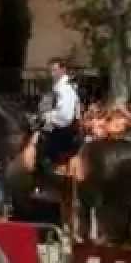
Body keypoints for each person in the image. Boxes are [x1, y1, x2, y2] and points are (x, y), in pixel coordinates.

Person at [35, 57, 81, 188]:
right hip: (58, 127)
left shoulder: (65, 89)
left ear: (63, 70)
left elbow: (65, 116)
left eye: (55, 70)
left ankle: (51, 183)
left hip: (64, 130)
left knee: (41, 150)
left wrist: (47, 116)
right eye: (51, 70)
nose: (52, 73)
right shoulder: (58, 88)